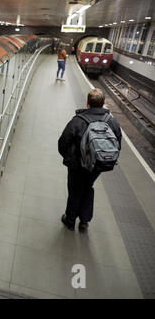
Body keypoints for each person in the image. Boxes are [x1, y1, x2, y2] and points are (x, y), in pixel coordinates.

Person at [58, 89, 122, 232]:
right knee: (88, 187)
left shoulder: (78, 121)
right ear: (103, 103)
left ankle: (70, 220)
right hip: (97, 166)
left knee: (75, 190)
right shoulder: (112, 122)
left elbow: (63, 142)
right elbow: (118, 144)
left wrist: (70, 159)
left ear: (88, 103)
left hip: (77, 166)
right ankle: (84, 221)